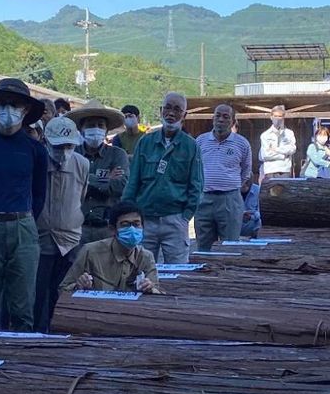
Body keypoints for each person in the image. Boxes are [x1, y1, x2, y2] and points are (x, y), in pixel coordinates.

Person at [0, 78, 48, 336]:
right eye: (3, 104)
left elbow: (39, 194)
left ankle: (21, 363)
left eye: (15, 105)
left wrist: (24, 220)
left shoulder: (36, 150)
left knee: (22, 306)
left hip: (23, 226)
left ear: (25, 111)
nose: (9, 110)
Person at [125, 92, 203, 265]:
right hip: (145, 220)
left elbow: (196, 186)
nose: (171, 113)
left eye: (177, 109)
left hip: (175, 220)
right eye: (167, 107)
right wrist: (127, 215)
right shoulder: (145, 143)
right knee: (139, 271)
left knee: (178, 273)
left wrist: (185, 217)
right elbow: (133, 183)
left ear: (185, 115)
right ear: (161, 110)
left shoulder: (191, 146)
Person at [34, 115, 89, 331]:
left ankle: (60, 331)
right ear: (47, 142)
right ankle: (37, 333)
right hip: (41, 239)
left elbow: (81, 195)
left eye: (69, 146)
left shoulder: (82, 164)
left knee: (64, 290)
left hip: (70, 239)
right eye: (58, 146)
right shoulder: (38, 161)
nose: (63, 151)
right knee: (38, 291)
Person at [59, 199, 161, 295]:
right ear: (113, 229)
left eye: (136, 224)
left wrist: (150, 288)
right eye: (125, 225)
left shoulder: (146, 256)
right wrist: (79, 286)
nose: (132, 230)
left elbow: (158, 293)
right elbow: (63, 289)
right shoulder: (90, 252)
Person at [194, 103, 252, 248]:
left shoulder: (242, 143)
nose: (220, 120)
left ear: (233, 122)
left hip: (230, 200)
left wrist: (230, 185)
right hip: (204, 199)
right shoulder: (200, 141)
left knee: (230, 245)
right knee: (203, 246)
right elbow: (193, 168)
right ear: (213, 119)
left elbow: (246, 171)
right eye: (217, 116)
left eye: (226, 117)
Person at [71, 102, 128, 243]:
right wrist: (106, 179)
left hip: (107, 229)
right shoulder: (72, 153)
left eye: (100, 125)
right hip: (77, 229)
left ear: (107, 130)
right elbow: (68, 184)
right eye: (90, 125)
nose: (95, 129)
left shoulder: (117, 154)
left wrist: (84, 179)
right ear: (81, 129)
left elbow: (120, 186)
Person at [258, 105, 297, 179]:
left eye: (280, 116)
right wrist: (283, 155)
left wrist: (276, 149)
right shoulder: (265, 135)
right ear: (271, 117)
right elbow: (265, 155)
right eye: (275, 116)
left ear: (283, 117)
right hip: (270, 170)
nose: (277, 118)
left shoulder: (289, 133)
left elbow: (292, 149)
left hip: (285, 170)